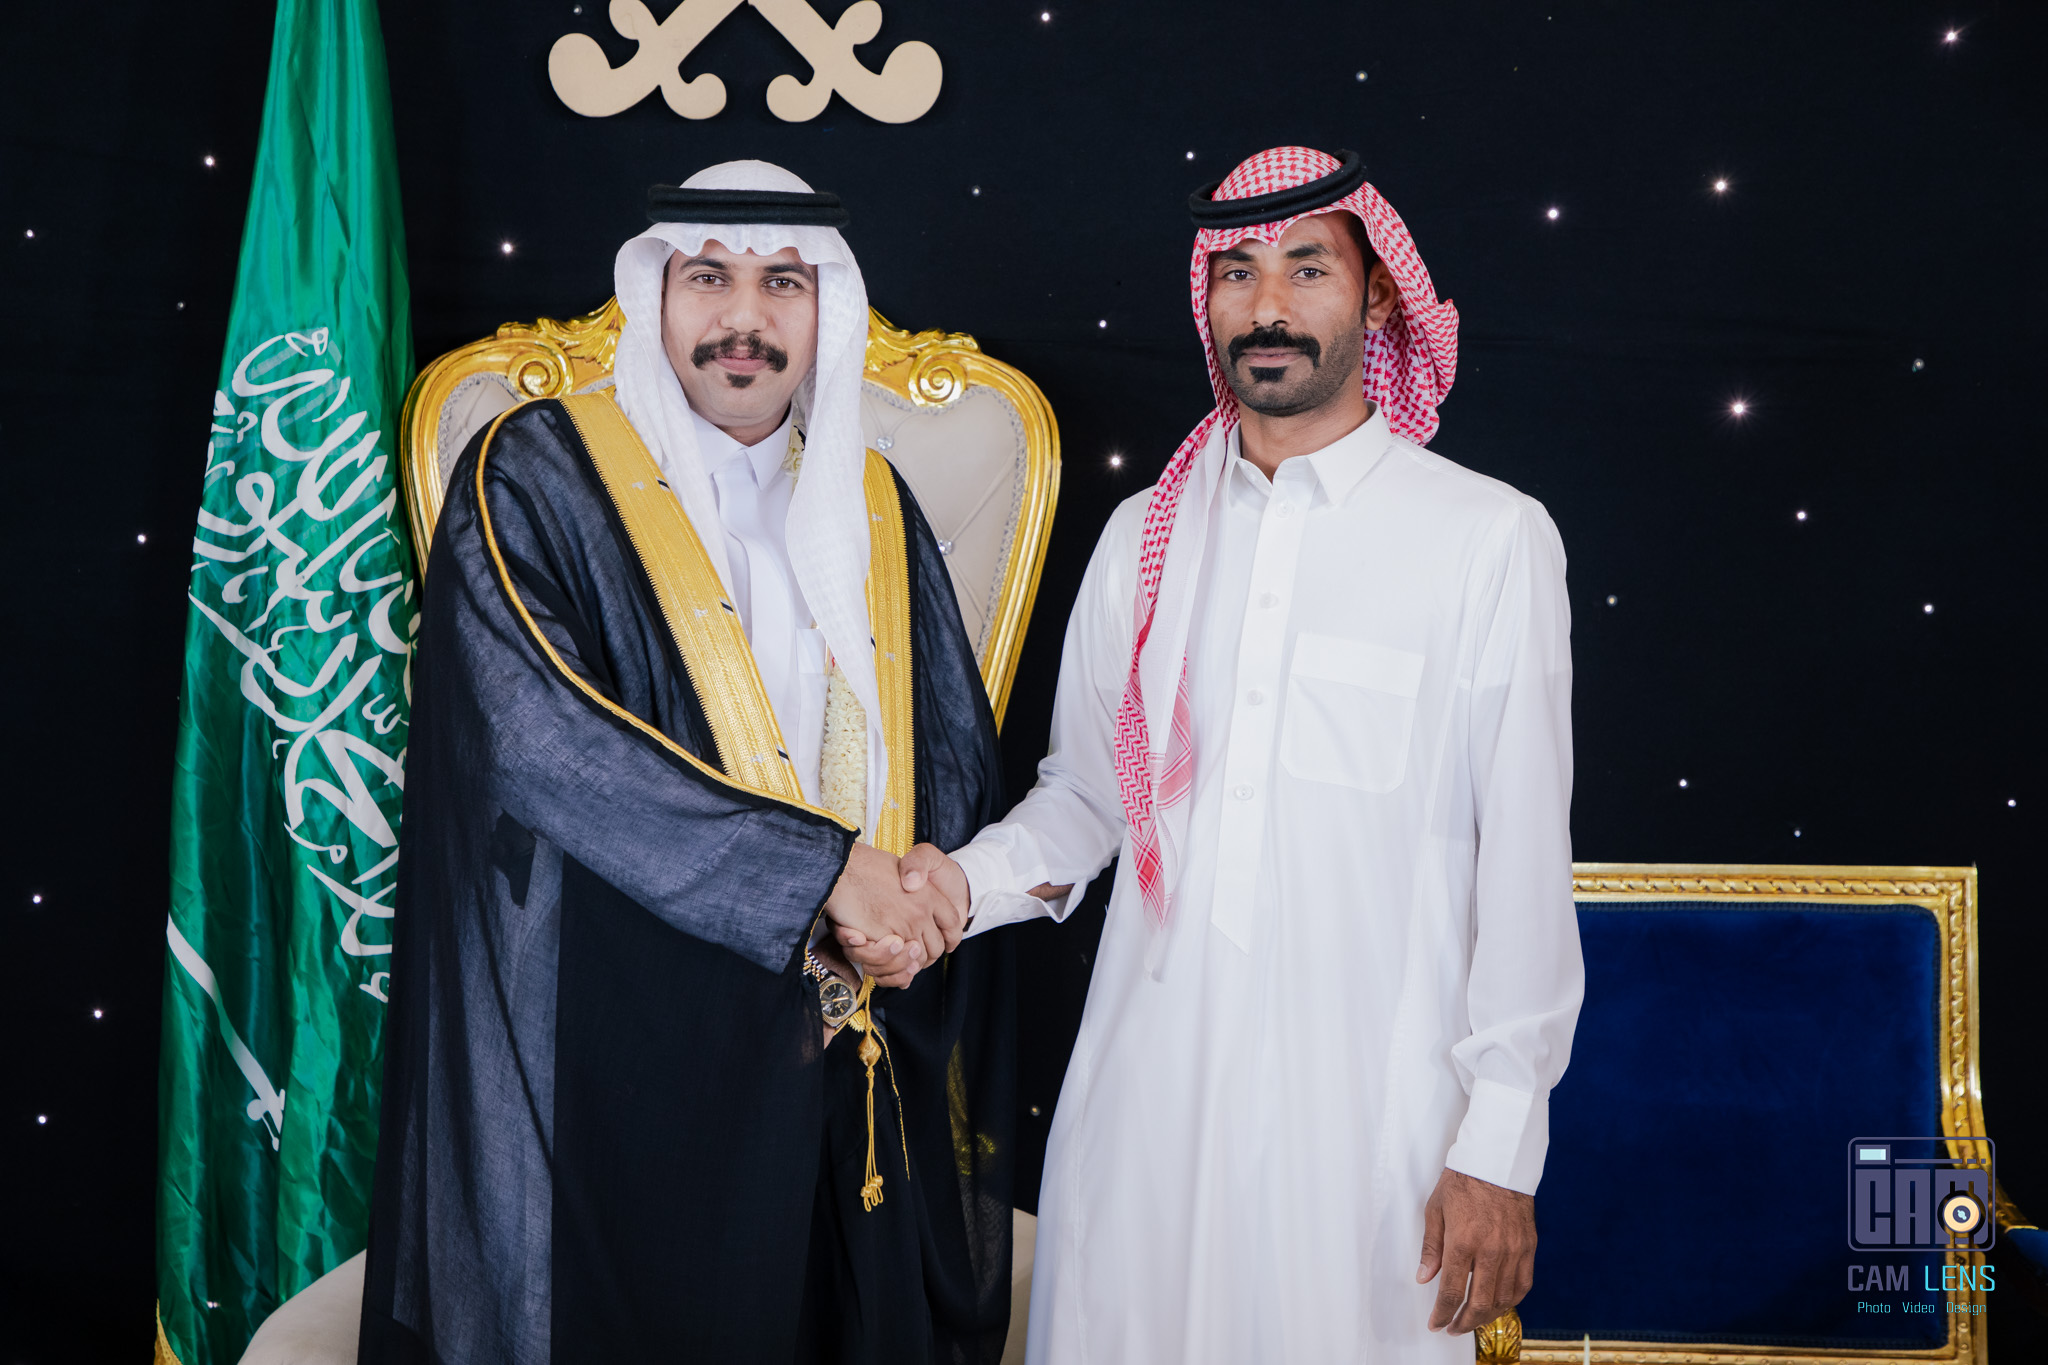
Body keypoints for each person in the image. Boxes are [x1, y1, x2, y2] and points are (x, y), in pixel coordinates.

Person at [855, 145, 1583, 1362]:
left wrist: (1498, 1149)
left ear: (1379, 296)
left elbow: (1519, 865)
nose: (1267, 305)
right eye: (1236, 272)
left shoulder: (1484, 538)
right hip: (1145, 1103)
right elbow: (1088, 797)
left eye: (1306, 268)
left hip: (1373, 1124)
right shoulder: (1143, 533)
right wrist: (951, 891)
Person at [360, 160, 1015, 1365]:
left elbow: (952, 750)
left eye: (782, 283)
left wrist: (911, 908)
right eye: (708, 277)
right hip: (618, 1028)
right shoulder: (534, 471)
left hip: (851, 1018)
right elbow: (534, 739)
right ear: (655, 295)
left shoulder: (873, 500)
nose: (743, 319)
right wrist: (820, 877)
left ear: (826, 308)